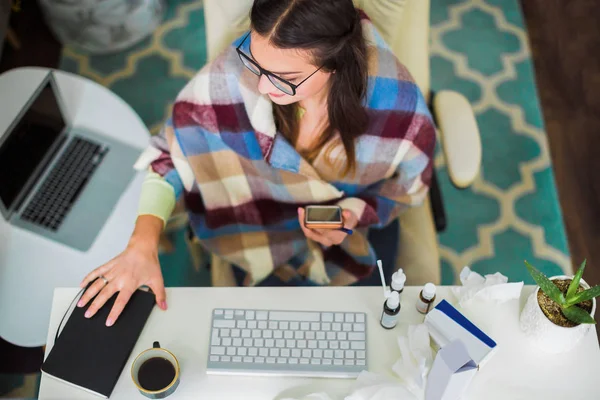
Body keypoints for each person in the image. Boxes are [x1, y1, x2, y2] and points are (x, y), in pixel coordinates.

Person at [78, 0, 435, 326]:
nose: (262, 87)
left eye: (285, 78)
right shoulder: (235, 72)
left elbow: (411, 181)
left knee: (361, 330)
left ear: (335, 66)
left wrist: (356, 213)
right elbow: (170, 153)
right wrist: (142, 244)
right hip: (253, 227)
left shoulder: (394, 96)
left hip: (351, 237)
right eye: (256, 60)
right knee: (257, 332)